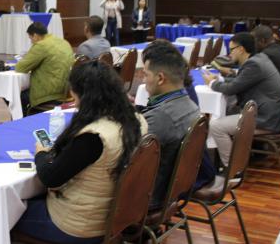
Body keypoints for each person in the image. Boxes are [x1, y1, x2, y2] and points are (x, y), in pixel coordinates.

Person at [12, 61, 147, 243]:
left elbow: (50, 177)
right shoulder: (136, 120)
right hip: (114, 218)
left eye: (73, 95)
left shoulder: (94, 137)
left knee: (7, 212)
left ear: (84, 96)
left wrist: (41, 153)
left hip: (80, 226)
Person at [140, 41, 209, 208]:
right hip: (173, 191)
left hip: (149, 199)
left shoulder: (160, 117)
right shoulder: (192, 106)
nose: (143, 80)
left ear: (160, 78)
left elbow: (129, 162)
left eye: (145, 74)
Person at [203, 32, 280, 166]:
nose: (229, 54)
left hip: (266, 119)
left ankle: (232, 168)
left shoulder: (253, 65)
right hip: (272, 113)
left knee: (216, 126)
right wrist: (222, 79)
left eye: (231, 50)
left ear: (241, 49)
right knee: (228, 110)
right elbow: (241, 80)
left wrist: (212, 83)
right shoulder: (260, 58)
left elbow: (232, 89)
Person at [16, 22, 74, 115]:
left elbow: (20, 67)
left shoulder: (41, 45)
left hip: (48, 94)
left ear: (35, 35)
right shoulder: (63, 42)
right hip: (65, 91)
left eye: (30, 38)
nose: (31, 42)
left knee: (17, 95)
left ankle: (22, 122)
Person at [252, 25, 280, 102]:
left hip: (278, 103)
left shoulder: (267, 55)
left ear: (262, 40)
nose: (252, 44)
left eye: (253, 41)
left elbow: (250, 80)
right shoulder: (278, 49)